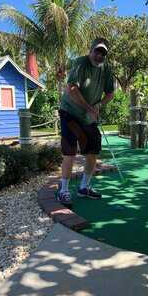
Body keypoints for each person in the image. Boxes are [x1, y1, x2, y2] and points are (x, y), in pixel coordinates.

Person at [57, 37, 115, 207]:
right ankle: (64, 190)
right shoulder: (80, 63)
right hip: (70, 112)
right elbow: (72, 88)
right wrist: (89, 107)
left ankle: (84, 187)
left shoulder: (106, 70)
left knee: (93, 149)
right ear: (91, 51)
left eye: (103, 53)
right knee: (70, 151)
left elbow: (110, 94)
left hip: (88, 117)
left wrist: (98, 105)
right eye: (97, 51)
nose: (99, 56)